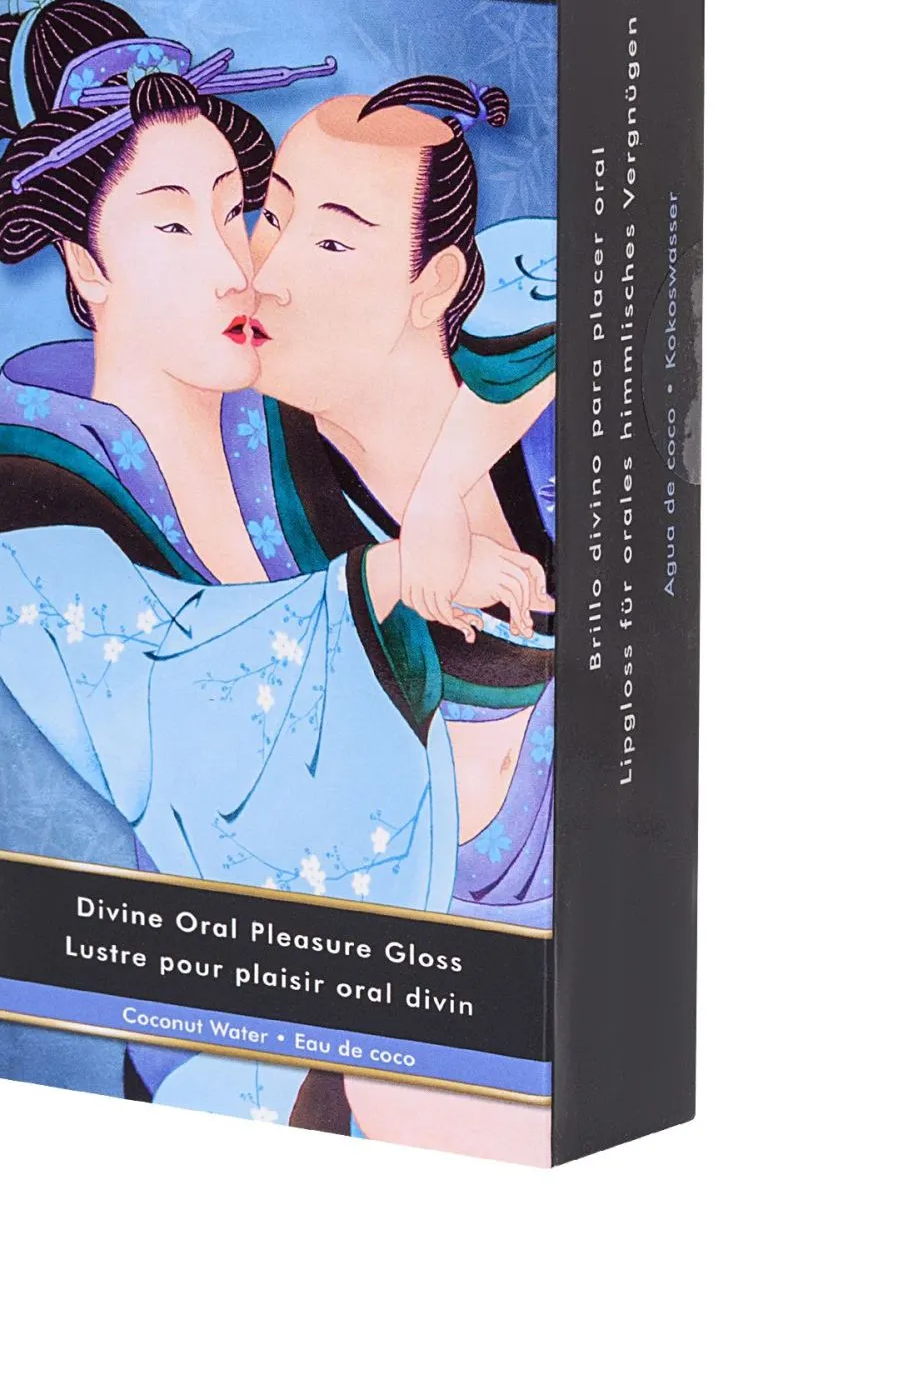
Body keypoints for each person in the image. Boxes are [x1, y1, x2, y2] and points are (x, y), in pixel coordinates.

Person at [0, 0, 549, 1133]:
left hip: (423, 970)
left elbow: (531, 314)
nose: (235, 261)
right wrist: (384, 582)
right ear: (84, 267)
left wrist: (442, 490)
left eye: (236, 210)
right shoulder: (33, 485)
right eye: (172, 226)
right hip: (224, 1026)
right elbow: (167, 712)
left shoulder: (287, 427)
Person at [249, 76, 557, 1157]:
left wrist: (438, 496)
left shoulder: (527, 426)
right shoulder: (240, 471)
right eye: (270, 214)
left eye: (332, 240)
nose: (267, 269)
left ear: (436, 284)